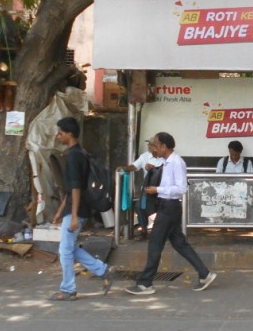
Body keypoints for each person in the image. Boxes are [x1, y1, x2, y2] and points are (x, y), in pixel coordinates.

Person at [125, 132, 217, 295]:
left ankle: (145, 283)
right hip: (165, 206)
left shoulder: (176, 162)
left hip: (170, 207)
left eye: (156, 145)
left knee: (155, 242)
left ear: (164, 146)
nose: (154, 148)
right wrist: (152, 170)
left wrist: (157, 189)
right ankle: (204, 274)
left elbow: (181, 188)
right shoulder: (165, 162)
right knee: (179, 243)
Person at [49, 117, 114, 301]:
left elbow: (76, 188)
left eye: (60, 133)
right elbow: (71, 190)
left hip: (78, 209)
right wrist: (61, 212)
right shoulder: (80, 153)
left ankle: (68, 289)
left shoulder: (73, 156)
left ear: (69, 134)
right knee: (68, 248)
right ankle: (103, 270)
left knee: (65, 250)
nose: (58, 136)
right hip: (76, 208)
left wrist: (74, 215)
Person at [120, 136, 164, 239]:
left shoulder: (164, 157)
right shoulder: (145, 156)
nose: (148, 146)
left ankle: (161, 232)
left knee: (161, 210)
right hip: (148, 188)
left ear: (156, 147)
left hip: (161, 189)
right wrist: (124, 168)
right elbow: (134, 166)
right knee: (139, 207)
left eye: (151, 144)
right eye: (148, 144)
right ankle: (144, 230)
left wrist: (154, 168)